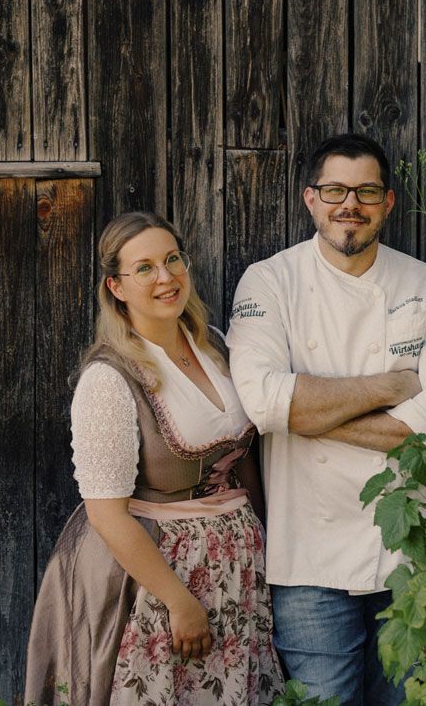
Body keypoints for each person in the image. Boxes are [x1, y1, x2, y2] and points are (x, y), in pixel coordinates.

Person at [226, 133, 426, 705]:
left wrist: (305, 413)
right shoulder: (269, 282)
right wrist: (390, 387)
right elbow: (262, 403)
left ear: (388, 203)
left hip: (413, 554)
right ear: (310, 199)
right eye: (335, 189)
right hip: (310, 557)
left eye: (366, 191)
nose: (350, 204)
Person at [25, 212, 284, 705]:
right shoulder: (109, 378)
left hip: (235, 570)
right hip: (156, 580)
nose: (166, 277)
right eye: (144, 268)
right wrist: (179, 602)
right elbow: (106, 514)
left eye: (172, 260)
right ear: (116, 287)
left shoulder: (217, 349)